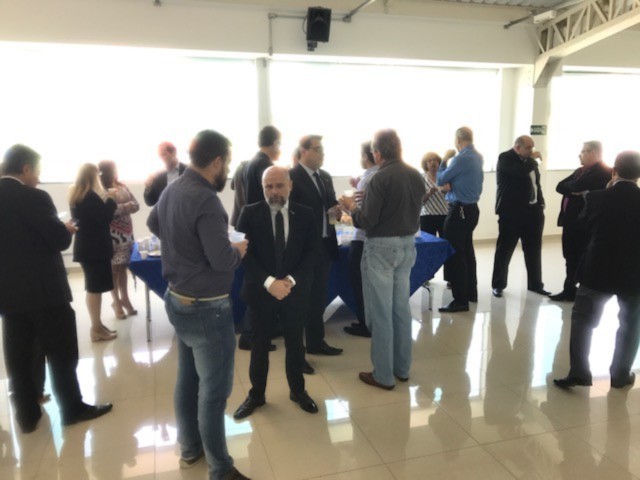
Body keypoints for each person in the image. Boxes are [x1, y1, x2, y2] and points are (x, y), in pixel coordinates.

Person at [147, 129, 250, 480]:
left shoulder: (173, 187)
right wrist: (237, 250)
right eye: (228, 163)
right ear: (217, 161)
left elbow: (153, 223)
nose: (228, 171)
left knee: (188, 379)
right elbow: (221, 260)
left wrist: (184, 249)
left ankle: (191, 449)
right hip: (208, 308)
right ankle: (221, 469)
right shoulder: (206, 199)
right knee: (214, 392)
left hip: (177, 298)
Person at [0, 145, 112, 433]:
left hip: (7, 295)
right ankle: (72, 408)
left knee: (19, 356)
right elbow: (58, 240)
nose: (38, 178)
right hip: (45, 291)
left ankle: (27, 415)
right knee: (62, 353)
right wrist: (66, 229)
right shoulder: (34, 197)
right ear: (25, 168)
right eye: (37, 171)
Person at [340, 129, 426, 389]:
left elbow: (366, 220)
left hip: (381, 248)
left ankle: (383, 375)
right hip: (407, 245)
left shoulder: (379, 178)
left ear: (377, 153)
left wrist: (352, 207)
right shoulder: (415, 174)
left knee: (380, 313)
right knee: (400, 309)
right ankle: (402, 368)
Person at [233, 166, 320, 419]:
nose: (274, 192)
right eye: (268, 187)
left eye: (279, 185)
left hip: (294, 292)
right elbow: (244, 254)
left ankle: (298, 391)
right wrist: (269, 282)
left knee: (295, 344)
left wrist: (289, 281)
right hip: (261, 292)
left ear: (290, 185)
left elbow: (313, 252)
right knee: (259, 346)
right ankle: (256, 395)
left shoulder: (306, 214)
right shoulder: (249, 213)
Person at [554, 151, 640, 390]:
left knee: (583, 321)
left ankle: (579, 372)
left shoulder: (597, 198)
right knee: (631, 323)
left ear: (614, 171)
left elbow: (584, 225)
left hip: (597, 269)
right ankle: (620, 375)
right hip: (634, 273)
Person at [289, 135, 343, 355]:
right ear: (303, 151)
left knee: (319, 297)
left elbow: (331, 205)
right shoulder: (291, 177)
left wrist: (336, 210)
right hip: (302, 249)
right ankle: (297, 351)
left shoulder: (325, 177)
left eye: (322, 149)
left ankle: (315, 342)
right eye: (317, 149)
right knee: (301, 299)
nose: (322, 154)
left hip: (325, 244)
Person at [237, 126, 282, 351]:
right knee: (260, 284)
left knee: (258, 282)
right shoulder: (264, 165)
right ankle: (250, 334)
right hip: (261, 228)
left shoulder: (250, 163)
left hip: (252, 227)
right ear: (274, 143)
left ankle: (255, 332)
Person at [549, 141, 611, 302]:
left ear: (594, 153)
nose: (579, 155)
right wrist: (574, 189)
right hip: (570, 223)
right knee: (570, 256)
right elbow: (559, 186)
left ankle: (583, 292)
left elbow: (576, 185)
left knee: (583, 258)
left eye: (583, 151)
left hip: (584, 224)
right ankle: (569, 290)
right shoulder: (580, 171)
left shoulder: (603, 172)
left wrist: (574, 188)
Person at [491, 135, 549, 298]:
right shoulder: (505, 158)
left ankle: (535, 284)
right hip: (511, 213)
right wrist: (533, 159)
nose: (532, 151)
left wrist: (541, 203)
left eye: (532, 147)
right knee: (505, 250)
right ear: (517, 147)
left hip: (534, 212)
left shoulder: (529, 163)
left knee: (534, 250)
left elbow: (535, 184)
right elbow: (519, 172)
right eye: (528, 147)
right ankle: (498, 285)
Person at [436, 127, 483, 313]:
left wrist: (444, 161)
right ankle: (471, 293)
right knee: (467, 252)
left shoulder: (460, 158)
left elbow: (440, 179)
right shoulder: (477, 156)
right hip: (471, 210)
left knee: (456, 256)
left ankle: (460, 300)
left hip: (459, 211)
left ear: (457, 140)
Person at [70, 163, 118, 342]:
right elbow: (104, 218)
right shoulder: (89, 197)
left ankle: (97, 325)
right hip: (94, 250)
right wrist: (111, 200)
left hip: (89, 248)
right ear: (92, 176)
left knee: (94, 288)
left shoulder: (78, 195)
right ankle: (96, 328)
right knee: (94, 289)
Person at [344, 142, 379, 338]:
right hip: (372, 237)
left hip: (363, 238)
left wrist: (349, 205)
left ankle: (365, 322)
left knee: (360, 283)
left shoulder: (369, 179)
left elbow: (362, 214)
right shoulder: (375, 176)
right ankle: (369, 320)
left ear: (366, 156)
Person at [98, 160, 140, 319]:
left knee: (123, 267)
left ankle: (125, 299)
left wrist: (123, 207)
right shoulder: (100, 189)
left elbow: (136, 205)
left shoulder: (122, 185)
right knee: (113, 269)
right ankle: (116, 302)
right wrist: (125, 207)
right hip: (111, 234)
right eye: (114, 169)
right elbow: (105, 210)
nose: (117, 171)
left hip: (127, 233)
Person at [243, 126, 282, 206]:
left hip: (253, 210)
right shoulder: (265, 165)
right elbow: (273, 194)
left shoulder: (252, 162)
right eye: (280, 144)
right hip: (263, 211)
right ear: (276, 144)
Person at [143, 141, 187, 206]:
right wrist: (148, 187)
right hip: (165, 212)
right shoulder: (158, 176)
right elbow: (150, 202)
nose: (161, 159)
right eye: (159, 156)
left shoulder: (188, 172)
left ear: (174, 152)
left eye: (163, 155)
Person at [419, 151, 449, 237]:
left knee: (446, 241)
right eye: (429, 161)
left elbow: (452, 196)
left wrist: (447, 191)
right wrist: (429, 193)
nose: (433, 162)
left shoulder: (444, 177)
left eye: (435, 160)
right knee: (429, 242)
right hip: (427, 216)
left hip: (444, 214)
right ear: (425, 164)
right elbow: (418, 201)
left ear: (439, 162)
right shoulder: (421, 179)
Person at [229, 160, 249, 228]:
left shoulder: (239, 168)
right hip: (244, 214)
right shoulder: (249, 169)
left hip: (236, 215)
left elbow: (232, 186)